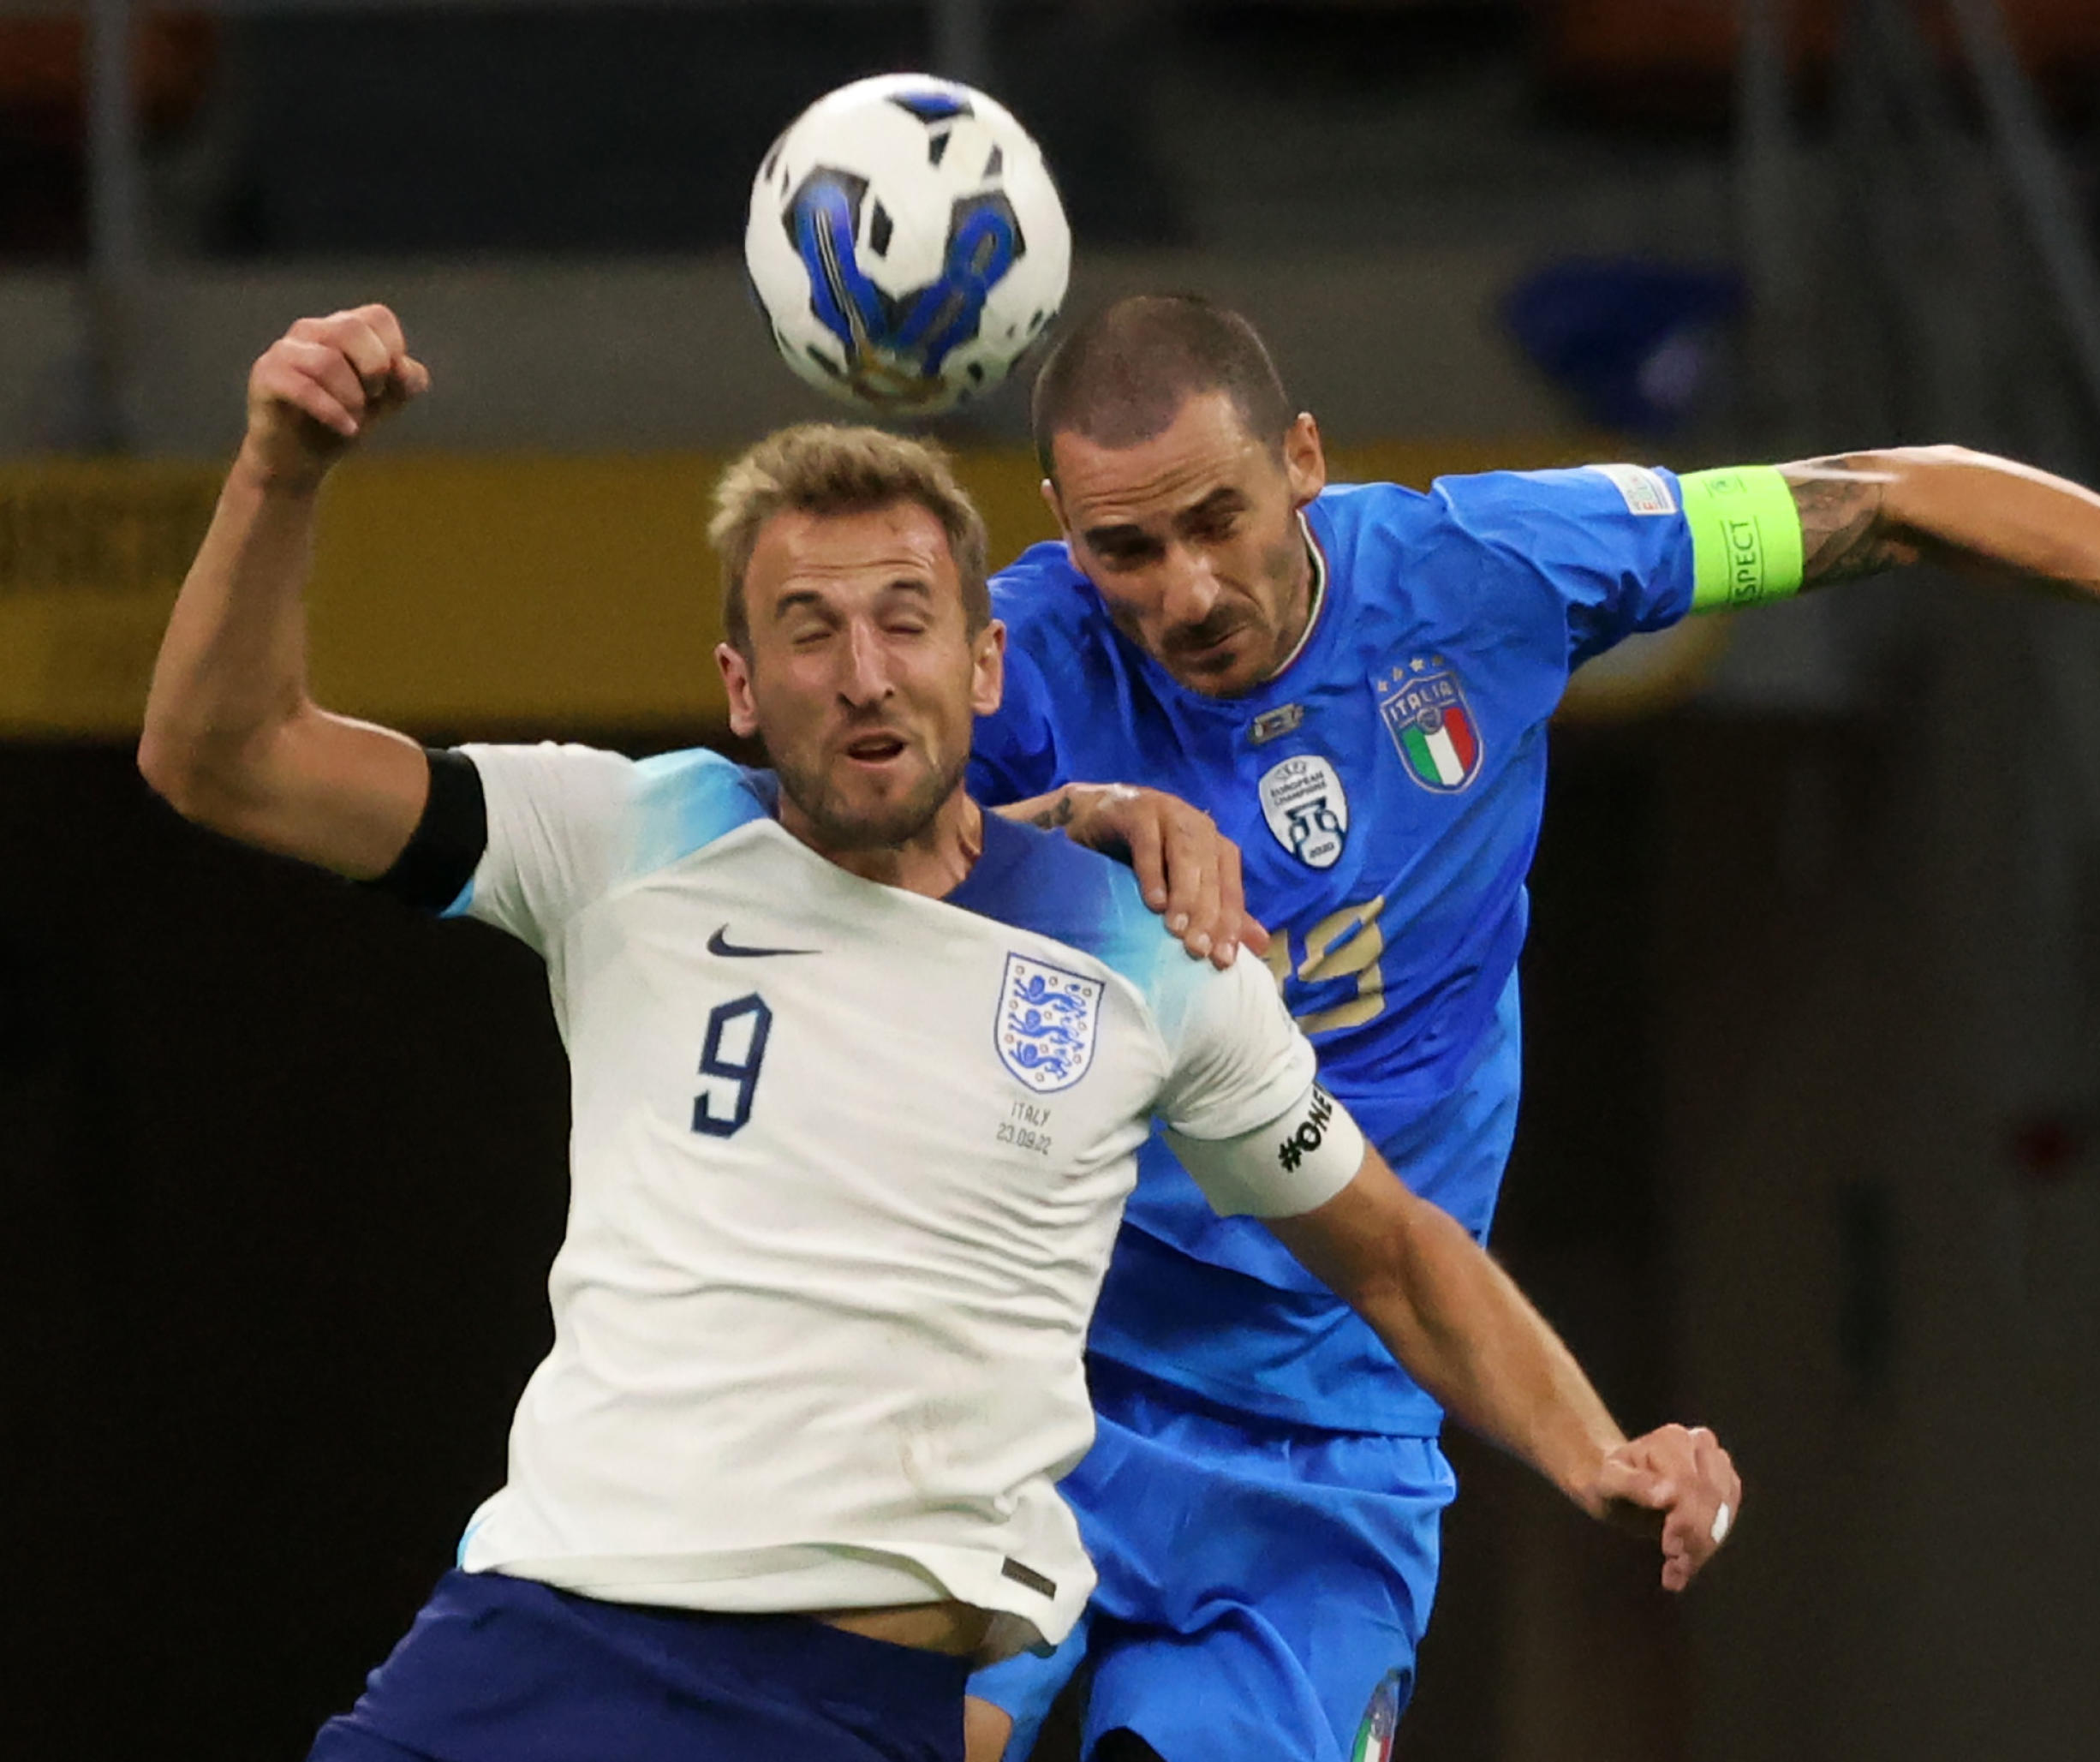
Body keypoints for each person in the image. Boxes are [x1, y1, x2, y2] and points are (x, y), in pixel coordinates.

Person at [134, 304, 1740, 1762]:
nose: (862, 670)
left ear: (989, 659)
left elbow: (1390, 1251)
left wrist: (1596, 1448)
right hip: (544, 1641)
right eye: (808, 630)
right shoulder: (626, 839)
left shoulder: (1153, 955)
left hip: (856, 1705)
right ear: (739, 687)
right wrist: (283, 466)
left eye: (906, 619)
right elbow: (226, 754)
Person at [959, 293, 2100, 1762]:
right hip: (1040, 1373)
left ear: (1302, 461)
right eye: (1128, 549)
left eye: (1215, 519)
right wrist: (1065, 819)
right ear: (1062, 533)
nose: (1185, 589)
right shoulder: (1017, 658)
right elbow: (805, 865)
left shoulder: (1493, 572)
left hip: (1337, 1411)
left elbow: (1903, 496)